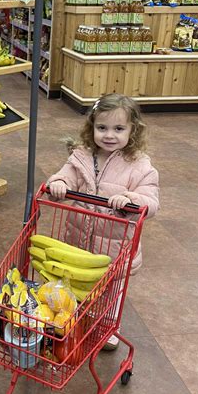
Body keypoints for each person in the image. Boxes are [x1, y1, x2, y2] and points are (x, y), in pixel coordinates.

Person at [47, 93, 159, 350]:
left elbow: (151, 201)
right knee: (75, 281)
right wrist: (60, 182)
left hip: (115, 246)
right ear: (92, 127)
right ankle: (73, 317)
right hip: (78, 240)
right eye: (102, 128)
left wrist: (131, 199)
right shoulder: (82, 156)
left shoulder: (140, 166)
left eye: (119, 129)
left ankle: (110, 327)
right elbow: (67, 175)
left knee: (112, 289)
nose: (109, 135)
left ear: (133, 131)